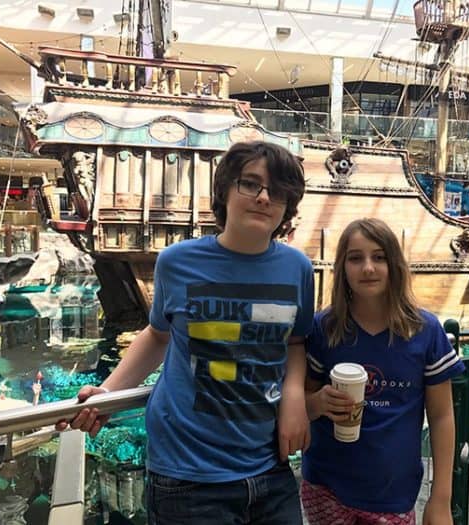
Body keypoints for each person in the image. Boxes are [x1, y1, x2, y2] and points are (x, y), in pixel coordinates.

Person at [57, 141, 314, 525]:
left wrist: (294, 396)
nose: (263, 198)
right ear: (225, 190)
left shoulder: (297, 268)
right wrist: (108, 393)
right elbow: (158, 335)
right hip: (187, 475)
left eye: (277, 191)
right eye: (251, 184)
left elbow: (295, 341)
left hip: (268, 465)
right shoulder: (177, 262)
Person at [301, 218, 465, 525]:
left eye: (379, 257)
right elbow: (303, 405)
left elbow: (442, 416)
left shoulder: (425, 331)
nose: (367, 268)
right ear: (342, 267)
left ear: (395, 264)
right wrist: (317, 403)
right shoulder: (325, 329)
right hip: (326, 486)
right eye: (355, 258)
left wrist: (440, 498)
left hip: (392, 494)